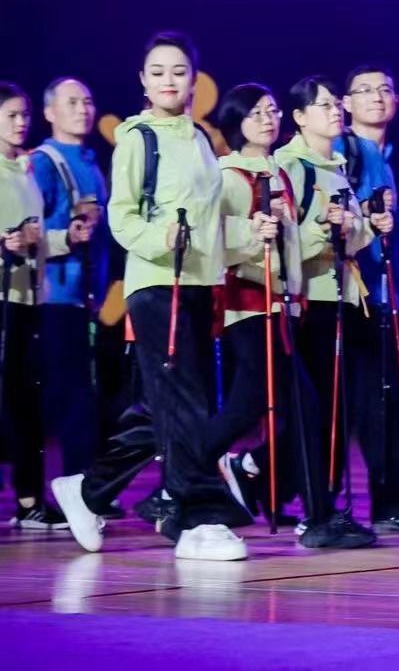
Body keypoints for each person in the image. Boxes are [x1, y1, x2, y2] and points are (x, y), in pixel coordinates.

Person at [54, 33, 256, 561]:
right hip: (156, 284)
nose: (169, 80)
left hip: (199, 284)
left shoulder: (200, 139)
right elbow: (121, 218)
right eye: (158, 71)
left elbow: (209, 223)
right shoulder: (137, 138)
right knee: (186, 403)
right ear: (143, 81)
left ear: (194, 81)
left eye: (179, 71)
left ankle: (88, 490)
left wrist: (250, 238)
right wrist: (159, 237)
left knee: (167, 404)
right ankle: (198, 519)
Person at [210, 83, 375, 547]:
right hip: (248, 305)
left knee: (245, 412)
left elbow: (295, 244)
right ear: (235, 121)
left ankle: (179, 476)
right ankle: (318, 517)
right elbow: (216, 237)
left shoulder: (277, 172)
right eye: (256, 113)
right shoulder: (228, 174)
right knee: (305, 408)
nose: (268, 119)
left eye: (271, 111)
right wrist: (253, 232)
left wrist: (345, 231)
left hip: (284, 305)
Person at [276, 75, 394, 534]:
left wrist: (369, 226)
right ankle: (310, 506)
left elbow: (353, 237)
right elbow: (286, 242)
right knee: (315, 410)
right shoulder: (290, 166)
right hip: (310, 300)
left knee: (337, 410)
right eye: (323, 106)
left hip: (343, 296)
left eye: (334, 105)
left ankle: (323, 503)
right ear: (300, 117)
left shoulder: (338, 166)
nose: (334, 112)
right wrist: (324, 229)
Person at [335, 64, 399, 532]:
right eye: (365, 90)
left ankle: (392, 501)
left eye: (385, 89)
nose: (377, 97)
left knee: (386, 400)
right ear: (346, 103)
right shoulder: (345, 151)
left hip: (384, 295)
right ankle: (388, 502)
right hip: (354, 296)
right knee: (374, 403)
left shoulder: (383, 155)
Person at [26, 78, 110, 527]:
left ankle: (88, 489)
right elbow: (25, 229)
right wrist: (66, 236)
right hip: (52, 296)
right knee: (67, 396)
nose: (83, 109)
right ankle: (69, 490)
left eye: (88, 101)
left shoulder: (92, 162)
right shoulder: (44, 162)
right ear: (49, 113)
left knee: (88, 395)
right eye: (72, 102)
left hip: (86, 298)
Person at [1, 82, 69, 529]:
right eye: (11, 115)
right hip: (3, 298)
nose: (21, 122)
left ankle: (30, 501)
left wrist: (66, 238)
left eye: (24, 114)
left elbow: (35, 239)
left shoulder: (25, 170)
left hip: (28, 298)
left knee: (26, 401)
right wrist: (5, 242)